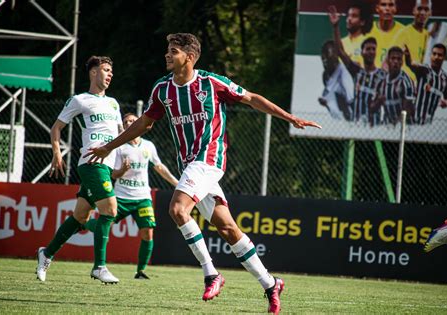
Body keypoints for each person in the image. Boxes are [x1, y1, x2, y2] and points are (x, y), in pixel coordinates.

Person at [85, 33, 321, 314]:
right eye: (167, 50)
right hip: (191, 165)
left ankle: (211, 274)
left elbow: (252, 98)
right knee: (228, 228)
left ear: (190, 56)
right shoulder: (163, 89)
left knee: (178, 209)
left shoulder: (211, 83)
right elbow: (144, 124)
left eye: (173, 51)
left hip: (209, 160)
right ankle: (270, 284)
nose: (167, 55)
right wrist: (109, 147)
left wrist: (290, 118)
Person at [36, 56, 122, 284]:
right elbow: (56, 128)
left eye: (111, 71)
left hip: (107, 165)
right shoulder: (80, 100)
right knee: (110, 210)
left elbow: (121, 134)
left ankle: (47, 253)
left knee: (80, 216)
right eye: (106, 70)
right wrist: (57, 153)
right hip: (92, 163)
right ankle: (99, 267)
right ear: (93, 72)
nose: (110, 74)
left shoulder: (114, 103)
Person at [82, 112, 179, 279]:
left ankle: (140, 271)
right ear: (124, 126)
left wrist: (178, 184)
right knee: (103, 225)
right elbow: (113, 174)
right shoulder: (119, 147)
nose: (129, 123)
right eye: (126, 122)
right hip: (121, 197)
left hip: (142, 198)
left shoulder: (148, 146)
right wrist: (123, 171)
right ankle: (83, 224)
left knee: (147, 232)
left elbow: (159, 167)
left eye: (133, 121)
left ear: (139, 124)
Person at [329, 5, 386, 125]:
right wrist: (335, 26)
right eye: (368, 49)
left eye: (373, 49)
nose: (371, 51)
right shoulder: (358, 72)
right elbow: (340, 52)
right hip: (356, 123)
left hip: (374, 125)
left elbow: (383, 98)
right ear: (362, 52)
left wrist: (374, 106)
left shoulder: (382, 75)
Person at [405, 43, 447, 125]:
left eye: (440, 55)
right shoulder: (423, 70)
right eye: (434, 54)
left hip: (428, 123)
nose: (436, 57)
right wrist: (407, 56)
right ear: (431, 55)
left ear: (445, 57)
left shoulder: (445, 78)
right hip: (413, 121)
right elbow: (411, 64)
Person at [371, 46, 415, 125]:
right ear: (388, 61)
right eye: (393, 58)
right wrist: (378, 102)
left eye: (399, 59)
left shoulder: (406, 81)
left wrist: (395, 126)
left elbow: (407, 111)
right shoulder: (381, 81)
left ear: (402, 62)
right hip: (386, 126)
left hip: (404, 127)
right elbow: (372, 108)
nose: (395, 61)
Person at [393, 0, 432, 81]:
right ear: (414, 10)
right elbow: (393, 61)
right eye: (419, 9)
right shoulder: (403, 33)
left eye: (426, 10)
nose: (422, 13)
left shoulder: (429, 37)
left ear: (430, 13)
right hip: (405, 84)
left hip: (422, 86)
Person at [318, 40, 354, 121]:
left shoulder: (344, 75)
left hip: (350, 115)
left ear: (335, 55)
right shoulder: (325, 75)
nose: (325, 60)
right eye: (323, 57)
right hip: (337, 117)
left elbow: (350, 100)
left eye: (328, 56)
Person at [367, 0, 404, 68]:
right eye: (383, 5)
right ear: (377, 8)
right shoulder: (367, 30)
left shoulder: (403, 32)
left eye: (391, 5)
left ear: (395, 8)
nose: (387, 9)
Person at [340, 1, 374, 65]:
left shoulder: (368, 43)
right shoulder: (341, 42)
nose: (349, 19)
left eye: (354, 16)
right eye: (348, 16)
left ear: (362, 22)